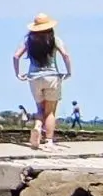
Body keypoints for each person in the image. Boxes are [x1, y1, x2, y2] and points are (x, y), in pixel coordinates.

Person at [13, 13, 72, 151]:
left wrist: (18, 73)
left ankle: (38, 126)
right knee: (50, 111)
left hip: (34, 78)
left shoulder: (29, 41)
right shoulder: (54, 40)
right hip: (51, 77)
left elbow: (16, 56)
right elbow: (66, 55)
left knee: (40, 108)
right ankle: (49, 140)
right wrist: (68, 72)